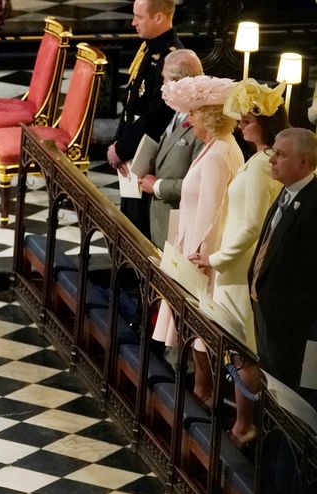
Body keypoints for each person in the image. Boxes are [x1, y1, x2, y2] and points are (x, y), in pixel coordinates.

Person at [190, 79, 288, 445]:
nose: (242, 125)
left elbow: (252, 226)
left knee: (242, 348)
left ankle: (244, 425)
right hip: (232, 265)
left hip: (238, 268)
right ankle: (238, 417)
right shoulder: (260, 161)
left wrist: (217, 258)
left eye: (247, 120)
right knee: (234, 343)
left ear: (265, 121)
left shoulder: (264, 166)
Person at [152, 75, 243, 403]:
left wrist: (197, 259)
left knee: (199, 331)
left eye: (194, 114)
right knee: (190, 329)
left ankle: (204, 393)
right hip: (189, 242)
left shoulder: (220, 154)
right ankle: (200, 389)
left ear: (209, 117)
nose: (188, 121)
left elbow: (212, 211)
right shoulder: (214, 148)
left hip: (202, 255)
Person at [247, 128, 317, 394]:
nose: (271, 160)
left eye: (280, 155)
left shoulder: (313, 203)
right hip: (266, 310)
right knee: (269, 383)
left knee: (284, 391)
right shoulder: (287, 191)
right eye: (272, 152)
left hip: (291, 324)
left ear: (304, 162)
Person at [109, 0, 183, 239]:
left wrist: (122, 147)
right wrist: (119, 144)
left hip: (147, 155)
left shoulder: (172, 58)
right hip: (132, 149)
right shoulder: (149, 48)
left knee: (138, 227)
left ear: (159, 17)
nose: (133, 22)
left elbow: (157, 116)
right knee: (127, 221)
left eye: (139, 17)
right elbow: (131, 103)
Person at [139, 49, 206, 248]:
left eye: (166, 80)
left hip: (181, 224)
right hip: (161, 221)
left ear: (180, 83)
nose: (162, 86)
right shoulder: (177, 113)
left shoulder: (203, 124)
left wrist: (157, 186)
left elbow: (200, 183)